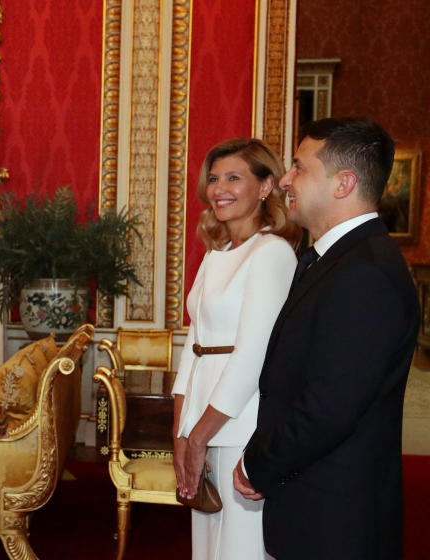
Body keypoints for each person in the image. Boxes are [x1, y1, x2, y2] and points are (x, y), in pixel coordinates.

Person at [234, 118, 419, 559]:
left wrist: (257, 463)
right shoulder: (332, 259)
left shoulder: (365, 273)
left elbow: (328, 408)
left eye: (299, 167)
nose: (284, 180)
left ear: (344, 184)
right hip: (315, 503)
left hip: (337, 518)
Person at [171, 138, 300, 559]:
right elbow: (194, 345)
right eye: (213, 178)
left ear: (265, 187)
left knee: (239, 546)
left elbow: (251, 357)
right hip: (203, 423)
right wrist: (181, 433)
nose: (219, 188)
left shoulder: (272, 253)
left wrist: (199, 436)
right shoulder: (218, 250)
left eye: (233, 178)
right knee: (207, 545)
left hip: (242, 424)